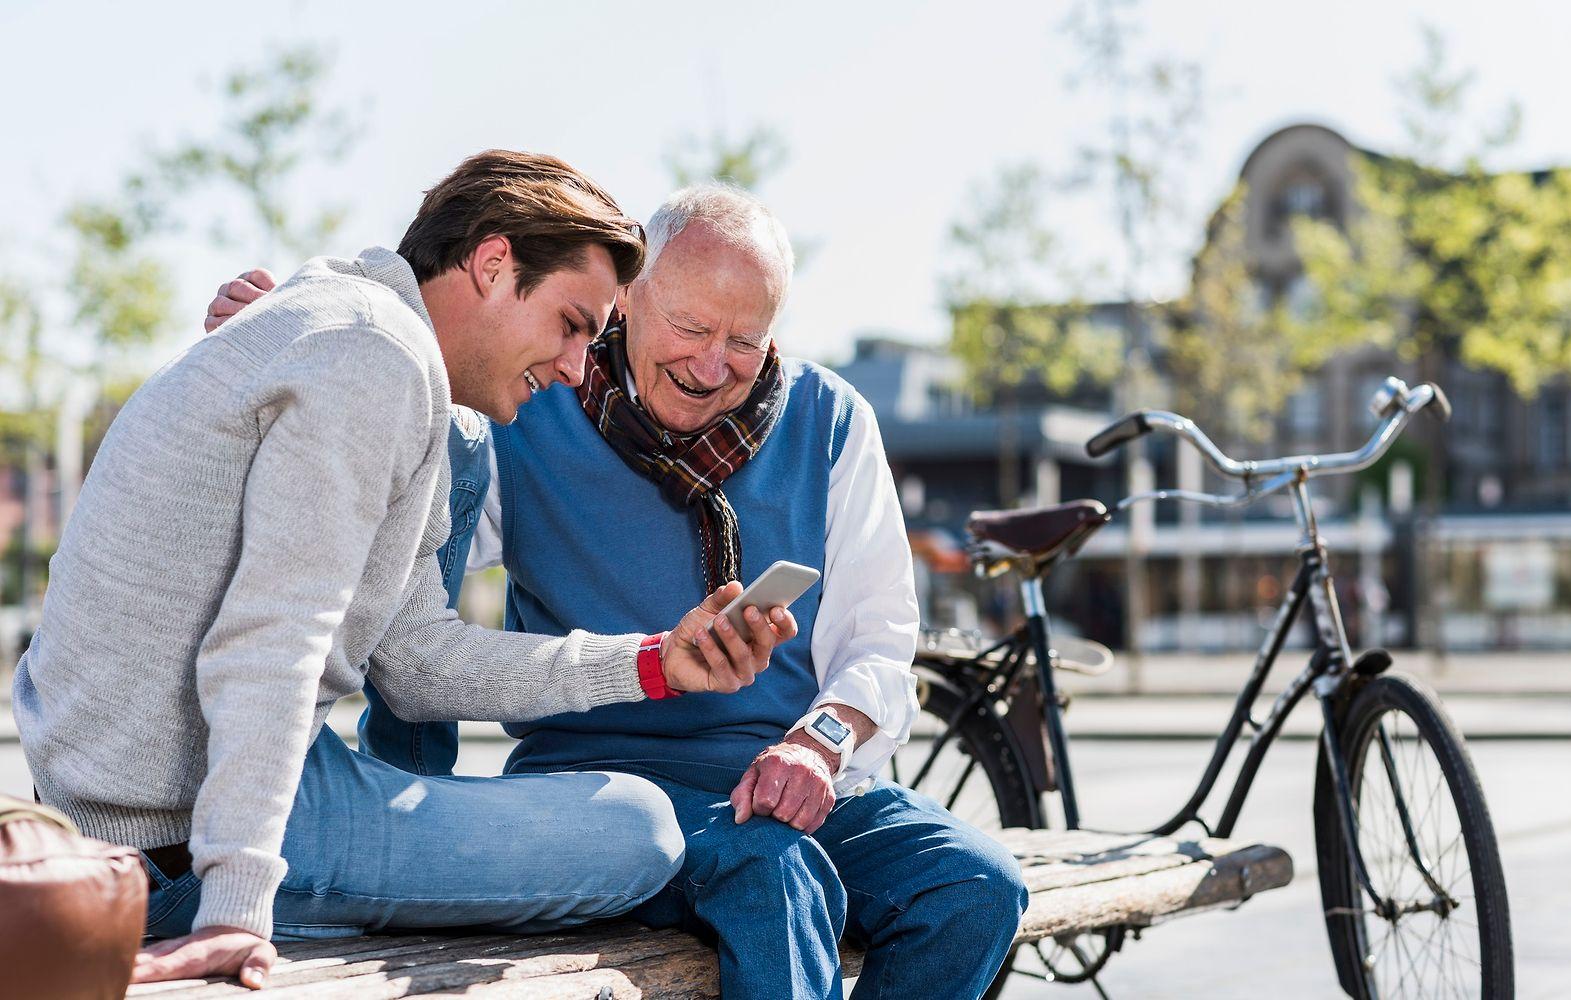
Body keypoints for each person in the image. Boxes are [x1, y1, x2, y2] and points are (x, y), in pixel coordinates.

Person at [211, 183, 1027, 1000]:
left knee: (977, 887)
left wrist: (818, 743)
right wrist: (301, 336)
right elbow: (411, 483)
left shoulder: (833, 421)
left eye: (745, 339)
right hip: (602, 788)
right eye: (691, 327)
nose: (712, 367)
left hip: (791, 777)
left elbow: (880, 642)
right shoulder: (528, 401)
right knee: (771, 874)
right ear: (631, 297)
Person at [16, 151, 797, 991]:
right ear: (494, 266)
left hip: (154, 802)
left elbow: (419, 663)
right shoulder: (375, 360)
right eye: (573, 323)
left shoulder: (346, 321)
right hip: (183, 843)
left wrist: (650, 663)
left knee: (464, 448)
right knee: (641, 828)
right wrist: (237, 903)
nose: (577, 367)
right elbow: (272, 636)